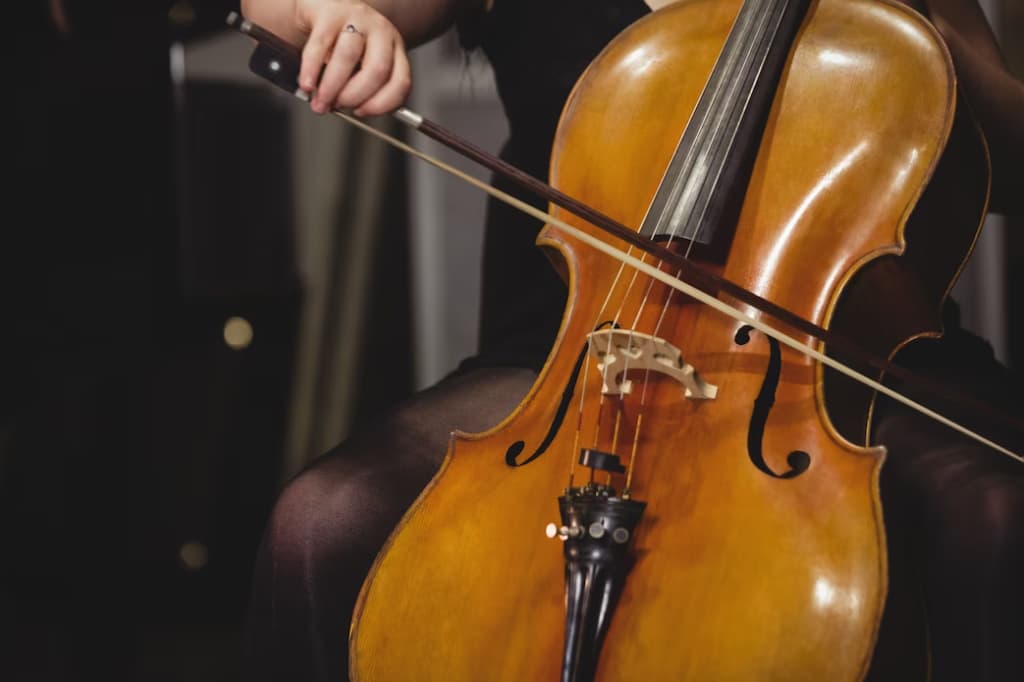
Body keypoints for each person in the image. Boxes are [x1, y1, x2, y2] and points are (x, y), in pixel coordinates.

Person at [237, 1, 1024, 680]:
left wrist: (921, 43)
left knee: (995, 517)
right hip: (565, 356)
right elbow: (277, 8)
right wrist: (332, 15)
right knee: (321, 521)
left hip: (838, 350)